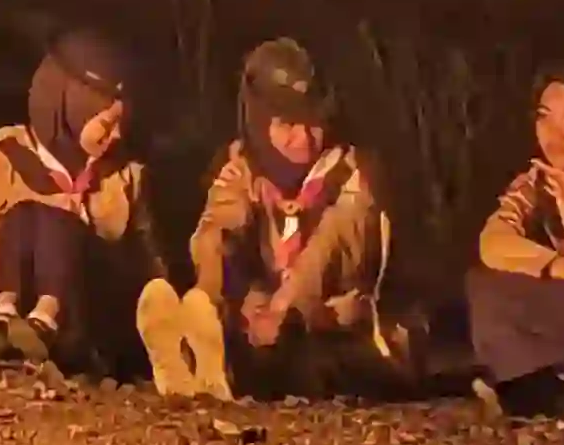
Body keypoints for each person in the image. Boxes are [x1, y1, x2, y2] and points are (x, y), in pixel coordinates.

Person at [141, 36, 399, 401]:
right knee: (238, 308)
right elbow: (217, 226)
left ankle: (218, 371)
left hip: (337, 320)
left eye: (313, 123)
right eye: (288, 125)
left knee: (307, 356)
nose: (305, 138)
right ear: (261, 126)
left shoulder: (353, 172)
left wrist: (285, 304)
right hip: (264, 315)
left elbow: (332, 243)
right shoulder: (243, 167)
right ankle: (191, 353)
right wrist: (214, 292)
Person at [0, 27, 159, 371]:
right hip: (20, 317)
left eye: (121, 125)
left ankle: (49, 321)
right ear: (71, 110)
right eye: (106, 124)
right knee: (23, 214)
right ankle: (2, 322)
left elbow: (146, 259)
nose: (116, 136)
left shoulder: (125, 175)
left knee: (55, 220)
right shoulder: (5, 158)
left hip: (90, 315)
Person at [465, 63, 564, 420]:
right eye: (545, 118)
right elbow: (494, 242)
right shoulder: (537, 182)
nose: (555, 134)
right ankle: (540, 389)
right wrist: (563, 265)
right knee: (485, 285)